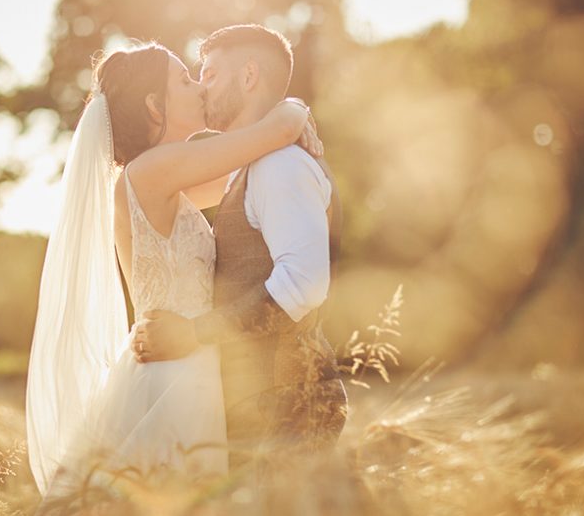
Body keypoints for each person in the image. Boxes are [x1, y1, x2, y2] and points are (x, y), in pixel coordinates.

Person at [25, 40, 322, 497]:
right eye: (185, 79)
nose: (199, 86)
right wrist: (296, 108)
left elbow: (238, 178)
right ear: (153, 105)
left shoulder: (162, 179)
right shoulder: (152, 171)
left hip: (185, 358)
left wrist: (285, 127)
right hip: (175, 372)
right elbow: (270, 135)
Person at [131, 25, 348, 474]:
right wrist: (292, 111)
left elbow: (303, 284)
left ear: (249, 75)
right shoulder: (246, 164)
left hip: (287, 406)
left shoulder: (280, 165)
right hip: (256, 406)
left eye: (209, 73)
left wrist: (196, 334)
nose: (201, 86)